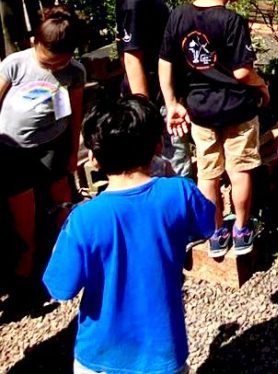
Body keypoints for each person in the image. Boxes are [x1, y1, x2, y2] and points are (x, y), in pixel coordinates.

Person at [43, 95, 215, 374]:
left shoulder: (83, 220)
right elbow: (207, 224)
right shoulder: (179, 192)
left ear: (94, 159)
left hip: (100, 356)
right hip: (163, 351)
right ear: (158, 146)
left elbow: (61, 287)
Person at [158, 0, 268, 258]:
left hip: (199, 111)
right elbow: (243, 71)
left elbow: (165, 62)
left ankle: (217, 233)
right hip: (237, 108)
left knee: (208, 172)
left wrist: (172, 102)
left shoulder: (178, 15)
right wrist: (263, 86)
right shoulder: (231, 21)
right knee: (239, 169)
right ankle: (243, 228)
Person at [0, 8, 86, 305]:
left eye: (61, 60)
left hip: (53, 146)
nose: (54, 65)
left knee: (62, 202)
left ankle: (69, 263)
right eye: (49, 58)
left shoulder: (74, 72)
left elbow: (74, 115)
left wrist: (73, 151)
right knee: (25, 219)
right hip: (13, 150)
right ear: (35, 42)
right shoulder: (16, 64)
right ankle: (25, 277)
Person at [113, 0, 191, 178]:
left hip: (161, 97)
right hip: (155, 101)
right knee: (173, 163)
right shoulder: (136, 2)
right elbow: (132, 57)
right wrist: (144, 112)